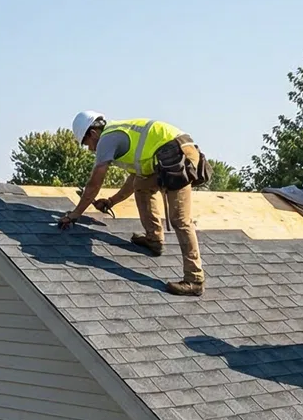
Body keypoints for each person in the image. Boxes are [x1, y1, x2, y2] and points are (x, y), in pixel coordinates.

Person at [57, 111, 206, 297]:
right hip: (167, 156)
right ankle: (154, 239)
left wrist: (74, 214)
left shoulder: (106, 140)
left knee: (179, 219)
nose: (90, 149)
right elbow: (135, 180)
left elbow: (94, 183)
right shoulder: (123, 139)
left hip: (178, 154)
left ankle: (194, 280)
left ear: (93, 133)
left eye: (87, 143)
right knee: (142, 186)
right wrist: (111, 201)